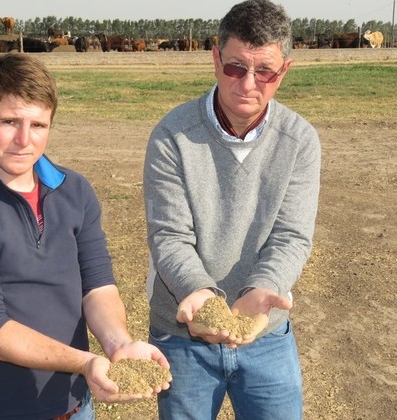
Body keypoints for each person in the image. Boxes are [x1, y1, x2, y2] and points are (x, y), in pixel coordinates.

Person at [0, 52, 170, 420]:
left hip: (76, 407)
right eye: (9, 121)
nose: (24, 140)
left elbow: (97, 285)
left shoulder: (74, 190)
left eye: (38, 125)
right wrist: (85, 362)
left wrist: (119, 344)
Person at [143, 1, 321, 419]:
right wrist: (199, 295)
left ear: (284, 71)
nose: (247, 84)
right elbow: (169, 236)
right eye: (236, 67)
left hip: (265, 330)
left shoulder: (299, 140)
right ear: (215, 59)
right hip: (182, 334)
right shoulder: (172, 135)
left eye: (265, 71)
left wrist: (263, 288)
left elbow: (291, 236)